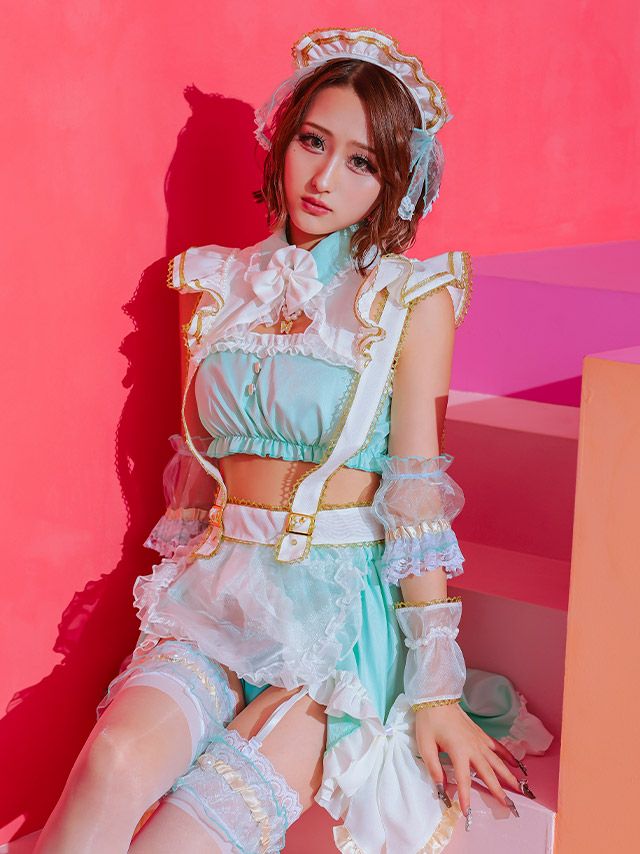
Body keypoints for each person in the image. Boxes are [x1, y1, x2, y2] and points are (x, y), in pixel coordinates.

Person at [34, 26, 540, 854]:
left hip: (338, 626)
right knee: (110, 764)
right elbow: (197, 476)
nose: (324, 177)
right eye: (313, 141)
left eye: (361, 161)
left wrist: (435, 688)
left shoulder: (410, 299)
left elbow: (415, 497)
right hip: (218, 596)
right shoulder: (215, 284)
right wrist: (169, 598)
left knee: (178, 843)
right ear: (283, 141)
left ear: (394, 181)